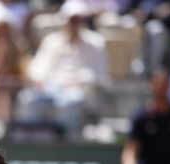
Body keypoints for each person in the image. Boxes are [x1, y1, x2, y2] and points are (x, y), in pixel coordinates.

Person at [15, 0, 109, 136]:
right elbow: (37, 68)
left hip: (79, 92)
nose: (74, 25)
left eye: (77, 21)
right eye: (71, 21)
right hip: (51, 89)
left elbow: (100, 74)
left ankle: (66, 143)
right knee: (27, 99)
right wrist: (41, 81)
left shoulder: (96, 43)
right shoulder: (51, 41)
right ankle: (34, 142)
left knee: (69, 102)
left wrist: (80, 79)